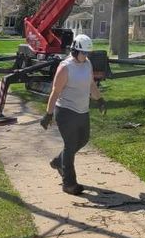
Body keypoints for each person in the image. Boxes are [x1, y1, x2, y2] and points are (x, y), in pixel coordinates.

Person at [39, 33, 107, 195]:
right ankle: (69, 183)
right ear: (75, 51)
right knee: (70, 146)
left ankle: (58, 161)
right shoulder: (65, 67)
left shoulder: (87, 64)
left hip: (82, 110)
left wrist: (100, 99)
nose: (86, 56)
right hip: (65, 111)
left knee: (83, 140)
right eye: (84, 53)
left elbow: (90, 84)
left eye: (87, 53)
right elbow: (55, 92)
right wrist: (48, 114)